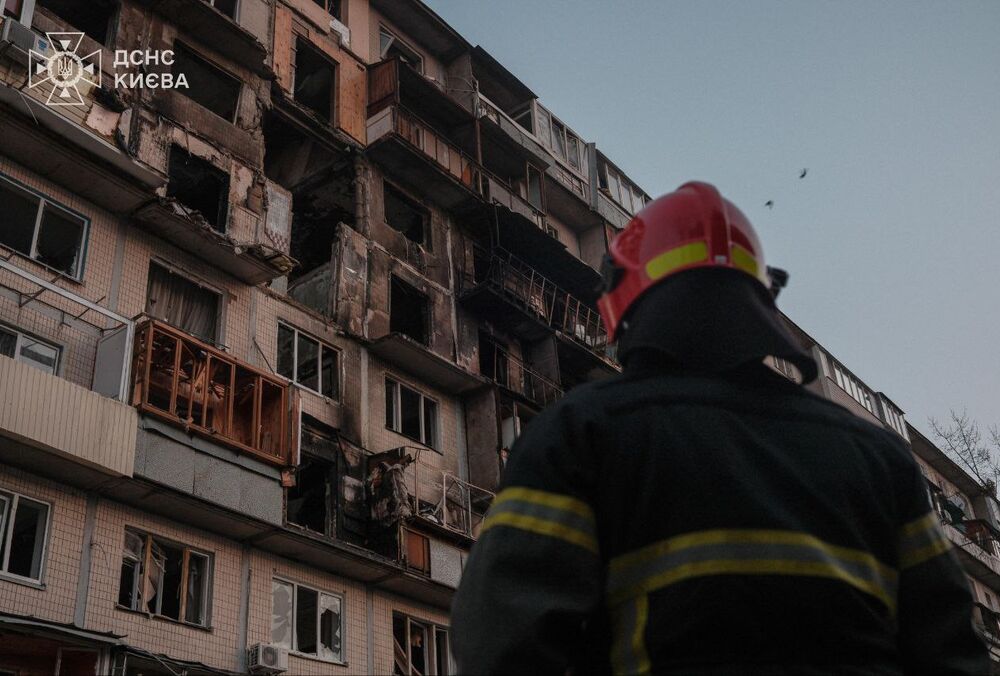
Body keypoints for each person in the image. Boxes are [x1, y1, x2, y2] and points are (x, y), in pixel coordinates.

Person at [451, 182, 988, 675]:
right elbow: (954, 656)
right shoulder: (880, 458)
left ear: (626, 302)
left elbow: (500, 647)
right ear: (758, 294)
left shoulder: (583, 432)